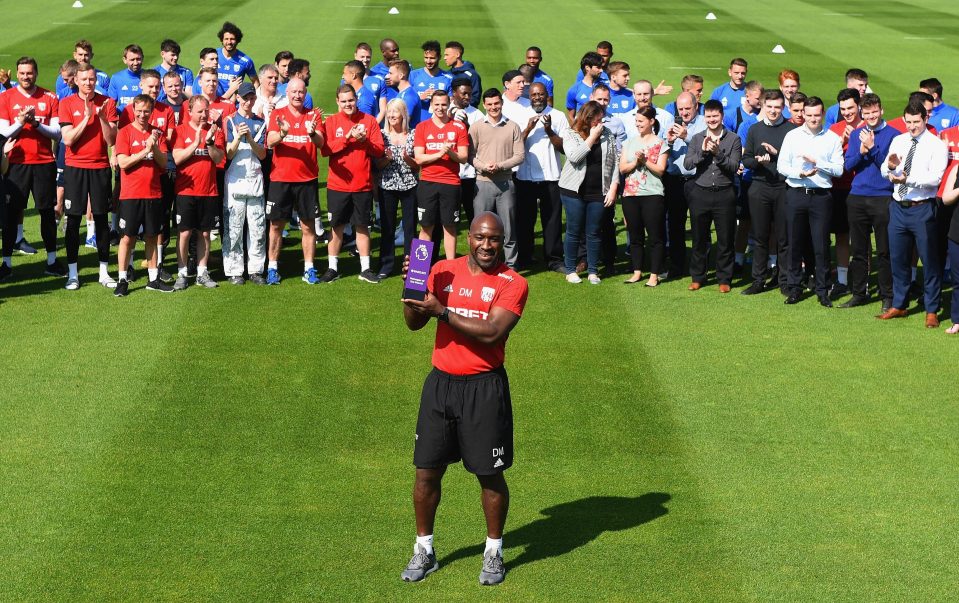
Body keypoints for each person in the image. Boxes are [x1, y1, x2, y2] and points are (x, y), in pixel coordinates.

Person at [400, 211, 528, 587]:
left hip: (484, 388)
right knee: (426, 473)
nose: (487, 245)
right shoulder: (441, 269)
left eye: (494, 239)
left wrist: (443, 311)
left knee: (490, 476)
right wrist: (412, 290)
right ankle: (424, 548)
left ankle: (494, 552)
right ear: (468, 237)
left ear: (501, 241)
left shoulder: (513, 282)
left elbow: (490, 332)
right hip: (440, 385)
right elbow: (412, 322)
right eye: (480, 237)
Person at [877, 101, 947, 327]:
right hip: (898, 207)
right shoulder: (899, 140)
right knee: (898, 259)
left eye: (916, 122)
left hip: (922, 208)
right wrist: (890, 166)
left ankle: (932, 309)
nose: (912, 127)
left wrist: (908, 179)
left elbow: (935, 179)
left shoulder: (936, 145)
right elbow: (884, 170)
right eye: (908, 122)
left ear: (926, 119)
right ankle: (899, 305)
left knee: (929, 260)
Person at [0, 57, 65, 282]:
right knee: (11, 213)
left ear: (36, 73)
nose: (26, 77)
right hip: (16, 164)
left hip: (44, 163)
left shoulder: (49, 97)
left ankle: (51, 261)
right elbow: (3, 133)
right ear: (17, 74)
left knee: (47, 212)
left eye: (30, 73)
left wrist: (35, 124)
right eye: (22, 73)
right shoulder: (5, 97)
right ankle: (6, 263)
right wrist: (20, 122)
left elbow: (57, 133)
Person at [777, 96, 845, 307]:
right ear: (803, 114)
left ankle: (822, 290)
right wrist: (801, 174)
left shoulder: (832, 138)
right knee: (795, 242)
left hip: (821, 197)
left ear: (823, 114)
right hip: (796, 193)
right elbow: (782, 166)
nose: (814, 119)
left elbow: (839, 169)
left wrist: (819, 163)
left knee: (821, 245)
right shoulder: (792, 136)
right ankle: (795, 287)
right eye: (810, 115)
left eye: (817, 115)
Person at [58, 62, 119, 290]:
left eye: (92, 79)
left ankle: (104, 271)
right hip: (75, 169)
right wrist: (86, 118)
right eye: (84, 79)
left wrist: (101, 117)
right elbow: (68, 140)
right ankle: (73, 273)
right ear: (75, 80)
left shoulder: (108, 103)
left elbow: (111, 140)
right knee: (73, 219)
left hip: (100, 167)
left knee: (102, 219)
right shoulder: (66, 104)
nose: (88, 83)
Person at [320, 84, 385, 283]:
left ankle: (365, 268)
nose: (348, 104)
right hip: (338, 185)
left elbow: (379, 150)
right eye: (344, 101)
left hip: (362, 185)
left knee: (362, 226)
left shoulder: (369, 121)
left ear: (356, 99)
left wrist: (364, 140)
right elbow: (325, 150)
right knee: (336, 227)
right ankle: (332, 268)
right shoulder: (331, 122)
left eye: (351, 100)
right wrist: (348, 139)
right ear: (338, 102)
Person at [264, 77, 323, 285]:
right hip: (281, 179)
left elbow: (321, 143)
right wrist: (282, 133)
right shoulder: (278, 115)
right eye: (294, 92)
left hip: (307, 180)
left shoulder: (313, 116)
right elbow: (270, 142)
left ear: (305, 94)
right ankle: (272, 268)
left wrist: (312, 132)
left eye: (301, 92)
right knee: (276, 226)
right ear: (287, 94)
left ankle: (309, 269)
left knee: (308, 226)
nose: (298, 95)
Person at [842, 92, 896, 311]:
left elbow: (889, 166)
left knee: (884, 250)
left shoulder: (895, 135)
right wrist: (863, 151)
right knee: (859, 249)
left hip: (883, 196)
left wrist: (872, 148)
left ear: (881, 111)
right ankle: (859, 293)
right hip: (857, 197)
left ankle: (887, 296)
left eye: (875, 112)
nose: (871, 116)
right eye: (867, 113)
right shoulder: (856, 135)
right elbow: (848, 165)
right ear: (862, 114)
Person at [113, 94, 172, 296]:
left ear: (152, 111)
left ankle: (153, 278)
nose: (142, 115)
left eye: (146, 111)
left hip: (153, 193)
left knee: (152, 236)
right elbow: (123, 163)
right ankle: (122, 279)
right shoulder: (125, 132)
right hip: (130, 194)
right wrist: (144, 150)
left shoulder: (158, 133)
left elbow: (164, 162)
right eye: (138, 111)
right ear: (133, 110)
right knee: (127, 238)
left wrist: (153, 145)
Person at [740, 89, 796, 295]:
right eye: (769, 107)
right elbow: (746, 160)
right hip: (759, 186)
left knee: (783, 238)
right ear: (763, 106)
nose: (773, 111)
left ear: (783, 108)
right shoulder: (754, 129)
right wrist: (757, 161)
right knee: (760, 237)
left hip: (782, 187)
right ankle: (758, 281)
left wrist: (776, 154)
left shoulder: (791, 130)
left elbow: (795, 160)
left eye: (777, 107)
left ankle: (784, 281)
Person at [683, 99, 742, 292]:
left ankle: (724, 278)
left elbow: (734, 166)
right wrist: (703, 152)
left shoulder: (733, 139)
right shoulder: (697, 138)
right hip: (700, 193)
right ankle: (697, 276)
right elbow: (688, 164)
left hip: (725, 194)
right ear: (704, 117)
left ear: (722, 116)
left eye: (715, 116)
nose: (712, 120)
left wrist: (718, 153)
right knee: (700, 238)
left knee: (725, 239)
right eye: (708, 116)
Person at [559, 100, 619, 284]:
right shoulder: (570, 133)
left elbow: (613, 160)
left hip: (599, 191)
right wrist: (591, 138)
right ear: (588, 118)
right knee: (574, 231)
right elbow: (575, 157)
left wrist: (614, 187)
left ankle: (593, 271)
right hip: (573, 190)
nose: (601, 124)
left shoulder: (607, 133)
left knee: (594, 232)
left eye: (602, 120)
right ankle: (570, 270)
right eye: (597, 120)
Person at [172, 95, 226, 290]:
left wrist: (210, 143)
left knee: (204, 233)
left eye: (206, 111)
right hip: (185, 190)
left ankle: (202, 272)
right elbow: (177, 158)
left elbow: (219, 159)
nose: (204, 115)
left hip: (209, 191)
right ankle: (182, 272)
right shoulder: (180, 131)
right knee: (184, 232)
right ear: (190, 112)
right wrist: (195, 144)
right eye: (200, 111)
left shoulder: (215, 131)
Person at [469, 89, 525, 268]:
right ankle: (478, 264)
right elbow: (469, 155)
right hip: (482, 183)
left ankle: (511, 266)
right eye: (490, 104)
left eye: (496, 103)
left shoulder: (513, 126)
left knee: (508, 228)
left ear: (501, 103)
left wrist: (500, 165)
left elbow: (519, 156)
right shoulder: (477, 126)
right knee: (479, 230)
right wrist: (483, 166)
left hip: (505, 184)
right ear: (484, 105)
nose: (494, 107)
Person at [516, 82, 568, 272]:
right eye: (534, 95)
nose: (537, 98)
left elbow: (563, 148)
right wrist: (528, 128)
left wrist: (548, 130)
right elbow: (515, 145)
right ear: (529, 96)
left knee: (552, 220)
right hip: (525, 177)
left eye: (541, 94)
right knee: (524, 220)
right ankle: (524, 256)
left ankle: (554, 259)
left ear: (547, 95)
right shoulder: (521, 116)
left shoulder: (559, 116)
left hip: (551, 177)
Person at [414, 89, 469, 260]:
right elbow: (419, 158)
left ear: (449, 104)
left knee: (450, 226)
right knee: (426, 226)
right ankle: (420, 269)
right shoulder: (422, 127)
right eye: (436, 104)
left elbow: (464, 157)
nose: (440, 108)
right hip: (428, 183)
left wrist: (450, 152)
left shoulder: (459, 127)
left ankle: (450, 266)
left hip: (451, 183)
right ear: (431, 105)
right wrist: (439, 154)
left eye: (443, 104)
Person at [222, 83, 267, 285]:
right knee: (234, 228)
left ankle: (256, 270)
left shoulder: (261, 122)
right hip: (235, 182)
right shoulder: (230, 121)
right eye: (245, 98)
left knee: (257, 228)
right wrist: (239, 137)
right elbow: (228, 154)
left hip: (255, 181)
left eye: (251, 98)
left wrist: (250, 137)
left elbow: (263, 154)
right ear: (238, 99)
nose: (248, 102)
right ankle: (234, 271)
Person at [619, 106, 667, 286]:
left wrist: (645, 161)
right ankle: (637, 271)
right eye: (636, 121)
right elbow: (623, 168)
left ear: (651, 122)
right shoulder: (629, 142)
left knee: (655, 236)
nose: (638, 124)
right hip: (631, 194)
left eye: (641, 121)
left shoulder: (660, 143)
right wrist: (636, 162)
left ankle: (654, 274)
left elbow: (661, 169)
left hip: (652, 194)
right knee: (635, 235)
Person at [662, 91, 706, 280]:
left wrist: (686, 136)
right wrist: (669, 142)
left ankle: (699, 269)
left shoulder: (705, 122)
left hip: (698, 180)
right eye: (681, 109)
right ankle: (677, 266)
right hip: (675, 181)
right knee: (675, 225)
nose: (685, 112)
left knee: (700, 225)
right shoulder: (671, 123)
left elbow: (705, 146)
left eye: (688, 108)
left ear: (696, 106)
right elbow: (663, 152)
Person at [826, 88, 863, 300]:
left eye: (850, 108)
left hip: (860, 190)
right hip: (839, 189)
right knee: (841, 234)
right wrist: (840, 142)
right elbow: (827, 158)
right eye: (843, 109)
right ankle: (841, 280)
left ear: (858, 105)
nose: (847, 112)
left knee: (862, 238)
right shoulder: (834, 129)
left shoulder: (868, 127)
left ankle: (863, 280)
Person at [376, 99, 418, 279]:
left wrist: (408, 159)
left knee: (410, 227)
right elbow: (376, 165)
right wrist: (388, 159)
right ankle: (386, 265)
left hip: (410, 186)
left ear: (403, 114)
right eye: (390, 112)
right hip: (387, 185)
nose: (392, 115)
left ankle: (411, 267)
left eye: (396, 111)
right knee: (387, 227)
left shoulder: (414, 134)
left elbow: (418, 166)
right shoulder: (381, 135)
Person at [449, 78, 483, 223]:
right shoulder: (442, 111)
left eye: (470, 94)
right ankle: (423, 247)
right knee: (435, 220)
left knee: (473, 217)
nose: (467, 97)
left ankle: (475, 245)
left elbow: (481, 145)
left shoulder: (477, 115)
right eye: (464, 94)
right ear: (454, 93)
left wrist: (467, 127)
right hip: (445, 174)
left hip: (469, 175)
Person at [409, 41, 453, 125]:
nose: (428, 61)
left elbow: (451, 103)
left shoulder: (448, 78)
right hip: (416, 124)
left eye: (432, 58)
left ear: (439, 57)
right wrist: (420, 98)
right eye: (426, 57)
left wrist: (438, 96)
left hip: (440, 125)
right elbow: (405, 99)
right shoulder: (413, 75)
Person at [940, 163, 959, 333]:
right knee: (957, 281)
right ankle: (957, 320)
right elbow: (946, 199)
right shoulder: (957, 168)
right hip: (957, 233)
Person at [216, 21, 258, 92]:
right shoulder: (213, 55)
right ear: (222, 40)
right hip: (215, 100)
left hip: (235, 101)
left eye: (232, 39)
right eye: (226, 39)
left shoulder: (246, 61)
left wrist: (251, 98)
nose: (229, 42)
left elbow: (256, 82)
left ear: (237, 40)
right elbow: (201, 75)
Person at [565, 52, 604, 122]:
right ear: (587, 68)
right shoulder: (574, 90)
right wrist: (577, 130)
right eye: (598, 67)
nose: (601, 70)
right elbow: (571, 116)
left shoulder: (604, 86)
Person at [444, 41, 481, 108]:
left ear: (457, 55)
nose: (445, 58)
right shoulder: (447, 75)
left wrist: (460, 107)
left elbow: (475, 98)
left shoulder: (472, 75)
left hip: (468, 114)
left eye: (447, 55)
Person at [107, 44, 144, 112]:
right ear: (125, 60)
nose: (135, 63)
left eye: (138, 59)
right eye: (132, 60)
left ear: (143, 58)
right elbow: (110, 106)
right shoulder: (116, 78)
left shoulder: (149, 78)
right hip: (124, 120)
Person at [389, 60, 421, 128]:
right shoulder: (403, 93)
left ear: (401, 76)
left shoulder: (408, 96)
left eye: (391, 73)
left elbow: (403, 124)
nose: (388, 76)